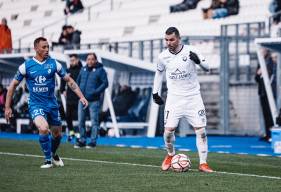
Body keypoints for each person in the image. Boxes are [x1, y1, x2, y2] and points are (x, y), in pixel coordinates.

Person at [4, 37, 88, 168]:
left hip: (52, 105)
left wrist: (81, 96)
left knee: (57, 134)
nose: (47, 49)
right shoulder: (26, 66)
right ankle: (48, 160)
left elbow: (69, 81)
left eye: (48, 47)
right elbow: (12, 86)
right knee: (43, 129)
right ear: (36, 48)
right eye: (44, 47)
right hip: (36, 104)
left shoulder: (54, 64)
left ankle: (53, 154)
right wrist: (7, 107)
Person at [152, 27, 213, 173]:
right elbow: (159, 74)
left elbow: (207, 68)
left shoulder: (191, 50)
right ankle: (170, 155)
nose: (169, 42)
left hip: (193, 97)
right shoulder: (162, 56)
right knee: (168, 132)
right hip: (174, 99)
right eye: (166, 40)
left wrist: (198, 61)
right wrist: (155, 93)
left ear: (179, 38)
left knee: (201, 131)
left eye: (171, 39)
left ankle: (203, 163)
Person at [75, 53, 108, 148]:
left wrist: (95, 92)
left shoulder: (100, 70)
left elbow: (105, 83)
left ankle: (93, 141)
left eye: (92, 59)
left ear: (95, 60)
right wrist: (78, 93)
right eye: (88, 59)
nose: (90, 61)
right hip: (82, 100)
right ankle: (82, 140)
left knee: (94, 122)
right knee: (81, 121)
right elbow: (77, 82)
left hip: (94, 101)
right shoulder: (83, 69)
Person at [255, 50, 277, 142]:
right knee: (265, 115)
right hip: (262, 92)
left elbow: (272, 74)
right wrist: (258, 73)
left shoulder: (271, 61)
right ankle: (268, 135)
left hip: (270, 92)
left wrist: (264, 72)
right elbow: (256, 78)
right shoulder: (260, 61)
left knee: (271, 114)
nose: (261, 52)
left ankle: (273, 135)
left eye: (262, 50)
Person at [60, 54, 82, 141]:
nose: (72, 62)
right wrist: (63, 90)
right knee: (68, 116)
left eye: (73, 60)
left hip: (79, 97)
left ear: (77, 60)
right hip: (69, 97)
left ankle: (78, 133)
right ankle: (71, 132)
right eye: (71, 60)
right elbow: (63, 81)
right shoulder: (67, 70)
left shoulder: (81, 70)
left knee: (78, 116)